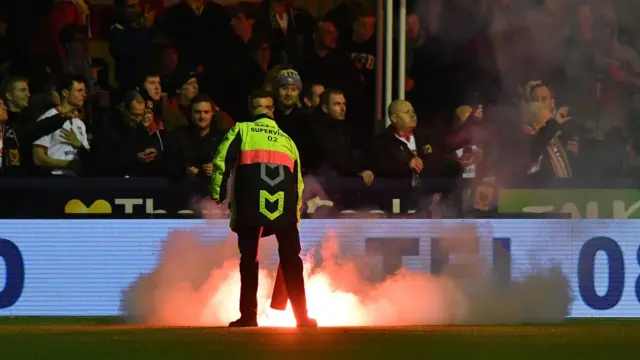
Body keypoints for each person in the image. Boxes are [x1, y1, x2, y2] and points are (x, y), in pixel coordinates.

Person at [210, 89, 317, 328]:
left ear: (252, 108)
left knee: (249, 259)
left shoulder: (242, 129)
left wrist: (217, 193)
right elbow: (299, 183)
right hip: (284, 209)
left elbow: (220, 160)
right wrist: (295, 218)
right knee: (291, 259)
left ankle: (249, 317)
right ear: (272, 111)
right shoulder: (288, 141)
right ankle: (302, 318)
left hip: (249, 205)